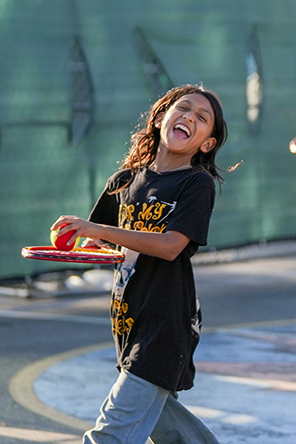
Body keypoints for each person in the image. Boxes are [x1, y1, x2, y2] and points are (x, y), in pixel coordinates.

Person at [51, 84, 232, 444]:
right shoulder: (124, 181)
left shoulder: (197, 184)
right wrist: (73, 241)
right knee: (171, 430)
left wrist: (98, 228)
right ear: (161, 116)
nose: (189, 118)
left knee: (110, 433)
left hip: (165, 322)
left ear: (207, 143)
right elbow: (100, 245)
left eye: (202, 118)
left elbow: (170, 246)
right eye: (182, 109)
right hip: (127, 319)